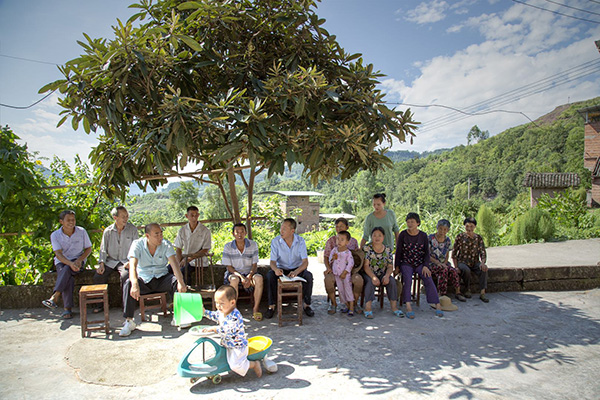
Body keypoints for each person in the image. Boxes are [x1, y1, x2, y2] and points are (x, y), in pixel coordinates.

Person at [120, 223, 187, 337]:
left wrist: (181, 283)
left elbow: (174, 264)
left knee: (177, 282)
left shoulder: (165, 244)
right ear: (147, 236)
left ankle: (178, 316)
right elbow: (133, 266)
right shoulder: (137, 244)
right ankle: (129, 321)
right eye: (156, 234)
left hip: (161, 278)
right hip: (144, 279)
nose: (160, 237)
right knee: (128, 284)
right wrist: (135, 284)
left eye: (161, 233)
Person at [202, 285, 262, 378]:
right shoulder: (222, 312)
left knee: (235, 365)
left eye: (221, 303)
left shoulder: (235, 315)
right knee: (219, 356)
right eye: (216, 303)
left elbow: (228, 329)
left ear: (232, 302)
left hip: (237, 346)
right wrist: (205, 312)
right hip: (227, 344)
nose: (218, 306)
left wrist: (214, 328)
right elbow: (214, 315)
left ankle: (254, 364)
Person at [42, 210, 92, 319]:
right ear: (61, 222)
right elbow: (58, 254)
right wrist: (70, 263)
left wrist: (79, 260)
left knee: (66, 272)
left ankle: (56, 297)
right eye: (68, 220)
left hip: (78, 260)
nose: (71, 222)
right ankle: (66, 308)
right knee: (67, 274)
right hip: (63, 261)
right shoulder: (55, 235)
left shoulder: (81, 231)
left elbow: (88, 248)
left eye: (73, 220)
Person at [395, 212, 443, 319]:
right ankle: (408, 305)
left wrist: (426, 265)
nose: (410, 224)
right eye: (408, 222)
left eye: (412, 222)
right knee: (407, 279)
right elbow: (398, 252)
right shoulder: (403, 235)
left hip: (420, 263)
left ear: (418, 223)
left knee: (428, 277)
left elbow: (427, 253)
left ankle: (437, 304)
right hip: (406, 262)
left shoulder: (423, 235)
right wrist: (397, 267)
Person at [265, 218, 314, 319]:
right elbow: (272, 262)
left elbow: (305, 262)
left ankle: (307, 305)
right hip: (281, 270)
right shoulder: (276, 241)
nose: (281, 231)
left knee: (308, 276)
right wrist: (276, 270)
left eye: (284, 229)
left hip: (297, 269)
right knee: (270, 276)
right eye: (281, 228)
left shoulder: (300, 241)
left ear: (292, 231)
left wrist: (296, 272)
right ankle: (271, 306)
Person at [92, 206, 139, 312]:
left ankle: (127, 306)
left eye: (127, 216)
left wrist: (131, 262)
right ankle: (101, 305)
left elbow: (137, 248)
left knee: (126, 276)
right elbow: (103, 249)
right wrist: (102, 263)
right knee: (98, 276)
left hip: (125, 261)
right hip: (111, 260)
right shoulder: (108, 231)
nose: (126, 219)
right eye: (123, 216)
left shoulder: (132, 229)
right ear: (115, 217)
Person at [222, 223, 264, 321]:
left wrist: (249, 277)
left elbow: (254, 265)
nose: (240, 235)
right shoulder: (228, 247)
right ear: (233, 234)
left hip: (249, 273)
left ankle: (256, 308)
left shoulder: (252, 245)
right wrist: (241, 277)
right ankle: (234, 310)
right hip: (234, 273)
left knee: (259, 279)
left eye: (242, 232)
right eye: (237, 232)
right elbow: (229, 267)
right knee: (234, 280)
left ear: (245, 233)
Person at [323, 217, 363, 314]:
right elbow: (326, 256)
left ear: (347, 227)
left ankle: (354, 303)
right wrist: (328, 268)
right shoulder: (331, 241)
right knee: (328, 279)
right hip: (335, 270)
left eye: (341, 226)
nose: (339, 228)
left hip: (350, 271)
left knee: (358, 280)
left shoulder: (353, 241)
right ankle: (333, 303)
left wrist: (351, 270)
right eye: (337, 227)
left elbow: (356, 258)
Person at [362, 227, 402, 319]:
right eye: (374, 235)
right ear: (371, 237)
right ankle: (368, 309)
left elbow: (390, 266)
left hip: (382, 273)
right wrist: (373, 277)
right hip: (369, 273)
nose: (377, 237)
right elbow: (366, 266)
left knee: (392, 281)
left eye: (379, 235)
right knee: (370, 282)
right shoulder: (367, 248)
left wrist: (387, 276)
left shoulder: (388, 250)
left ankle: (394, 307)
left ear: (383, 237)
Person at [452, 217, 490, 303]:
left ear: (475, 227)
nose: (469, 228)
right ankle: (467, 289)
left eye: (471, 226)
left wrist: (483, 263)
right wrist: (456, 266)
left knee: (484, 270)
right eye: (467, 226)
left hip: (475, 262)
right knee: (466, 270)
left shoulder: (478, 238)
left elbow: (482, 252)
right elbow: (454, 253)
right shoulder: (460, 237)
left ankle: (482, 293)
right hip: (463, 262)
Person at [428, 219, 466, 302]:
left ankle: (458, 292)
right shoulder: (430, 238)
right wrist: (438, 263)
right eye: (440, 228)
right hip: (432, 264)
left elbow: (447, 255)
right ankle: (442, 294)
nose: (442, 231)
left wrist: (444, 263)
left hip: (444, 263)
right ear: (437, 228)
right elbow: (427, 255)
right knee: (444, 270)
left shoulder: (447, 240)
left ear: (448, 230)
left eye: (445, 229)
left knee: (453, 271)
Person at [174, 206, 211, 284]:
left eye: (196, 215)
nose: (194, 218)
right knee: (169, 270)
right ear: (187, 216)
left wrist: (190, 258)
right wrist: (178, 262)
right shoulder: (182, 230)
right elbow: (178, 249)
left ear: (198, 215)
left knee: (184, 271)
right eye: (192, 215)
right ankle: (173, 293)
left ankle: (186, 291)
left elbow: (205, 249)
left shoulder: (205, 231)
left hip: (198, 260)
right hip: (184, 259)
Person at [329, 230, 355, 317]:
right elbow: (330, 260)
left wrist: (345, 272)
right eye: (338, 239)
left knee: (348, 289)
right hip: (337, 274)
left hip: (345, 275)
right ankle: (347, 306)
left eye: (342, 239)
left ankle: (351, 307)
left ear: (347, 242)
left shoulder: (348, 253)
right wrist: (332, 258)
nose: (339, 241)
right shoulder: (334, 250)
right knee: (341, 291)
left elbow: (351, 263)